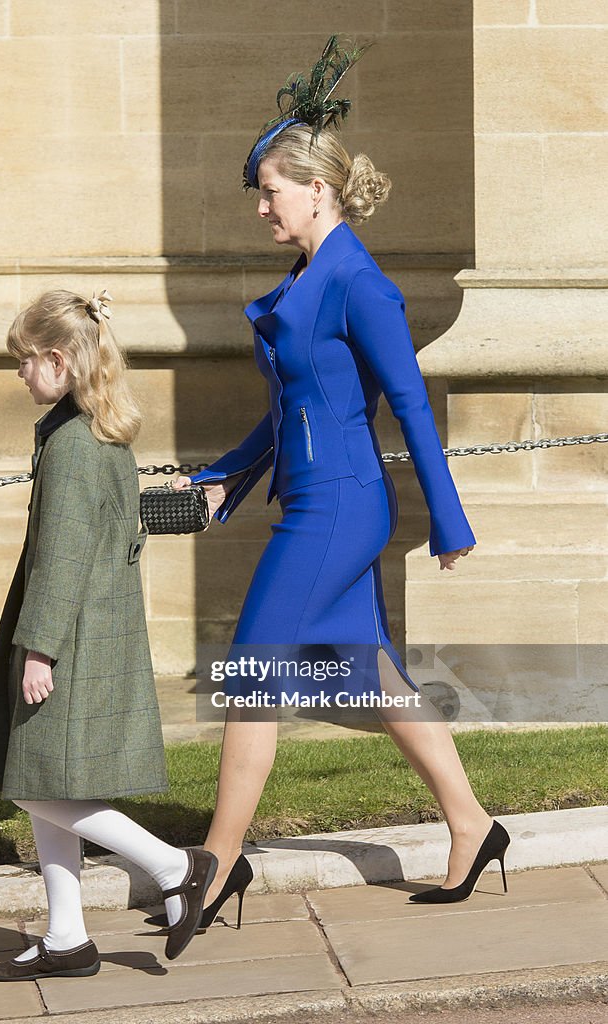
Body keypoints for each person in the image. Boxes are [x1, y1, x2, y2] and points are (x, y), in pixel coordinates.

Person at [170, 37, 510, 926]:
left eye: (272, 193)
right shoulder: (310, 273)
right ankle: (473, 824)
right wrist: (222, 479)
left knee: (249, 674)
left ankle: (218, 862)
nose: (262, 210)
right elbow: (292, 408)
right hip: (321, 498)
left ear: (316, 189)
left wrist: (450, 522)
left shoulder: (362, 283)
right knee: (369, 674)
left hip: (341, 508)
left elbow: (409, 404)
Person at [0, 289, 216, 980]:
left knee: (31, 783)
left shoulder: (73, 446)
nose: (20, 374)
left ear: (58, 359)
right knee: (47, 776)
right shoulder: (92, 430)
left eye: (25, 360)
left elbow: (63, 556)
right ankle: (67, 938)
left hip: (71, 636)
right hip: (94, 629)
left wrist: (40, 648)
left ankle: (174, 866)